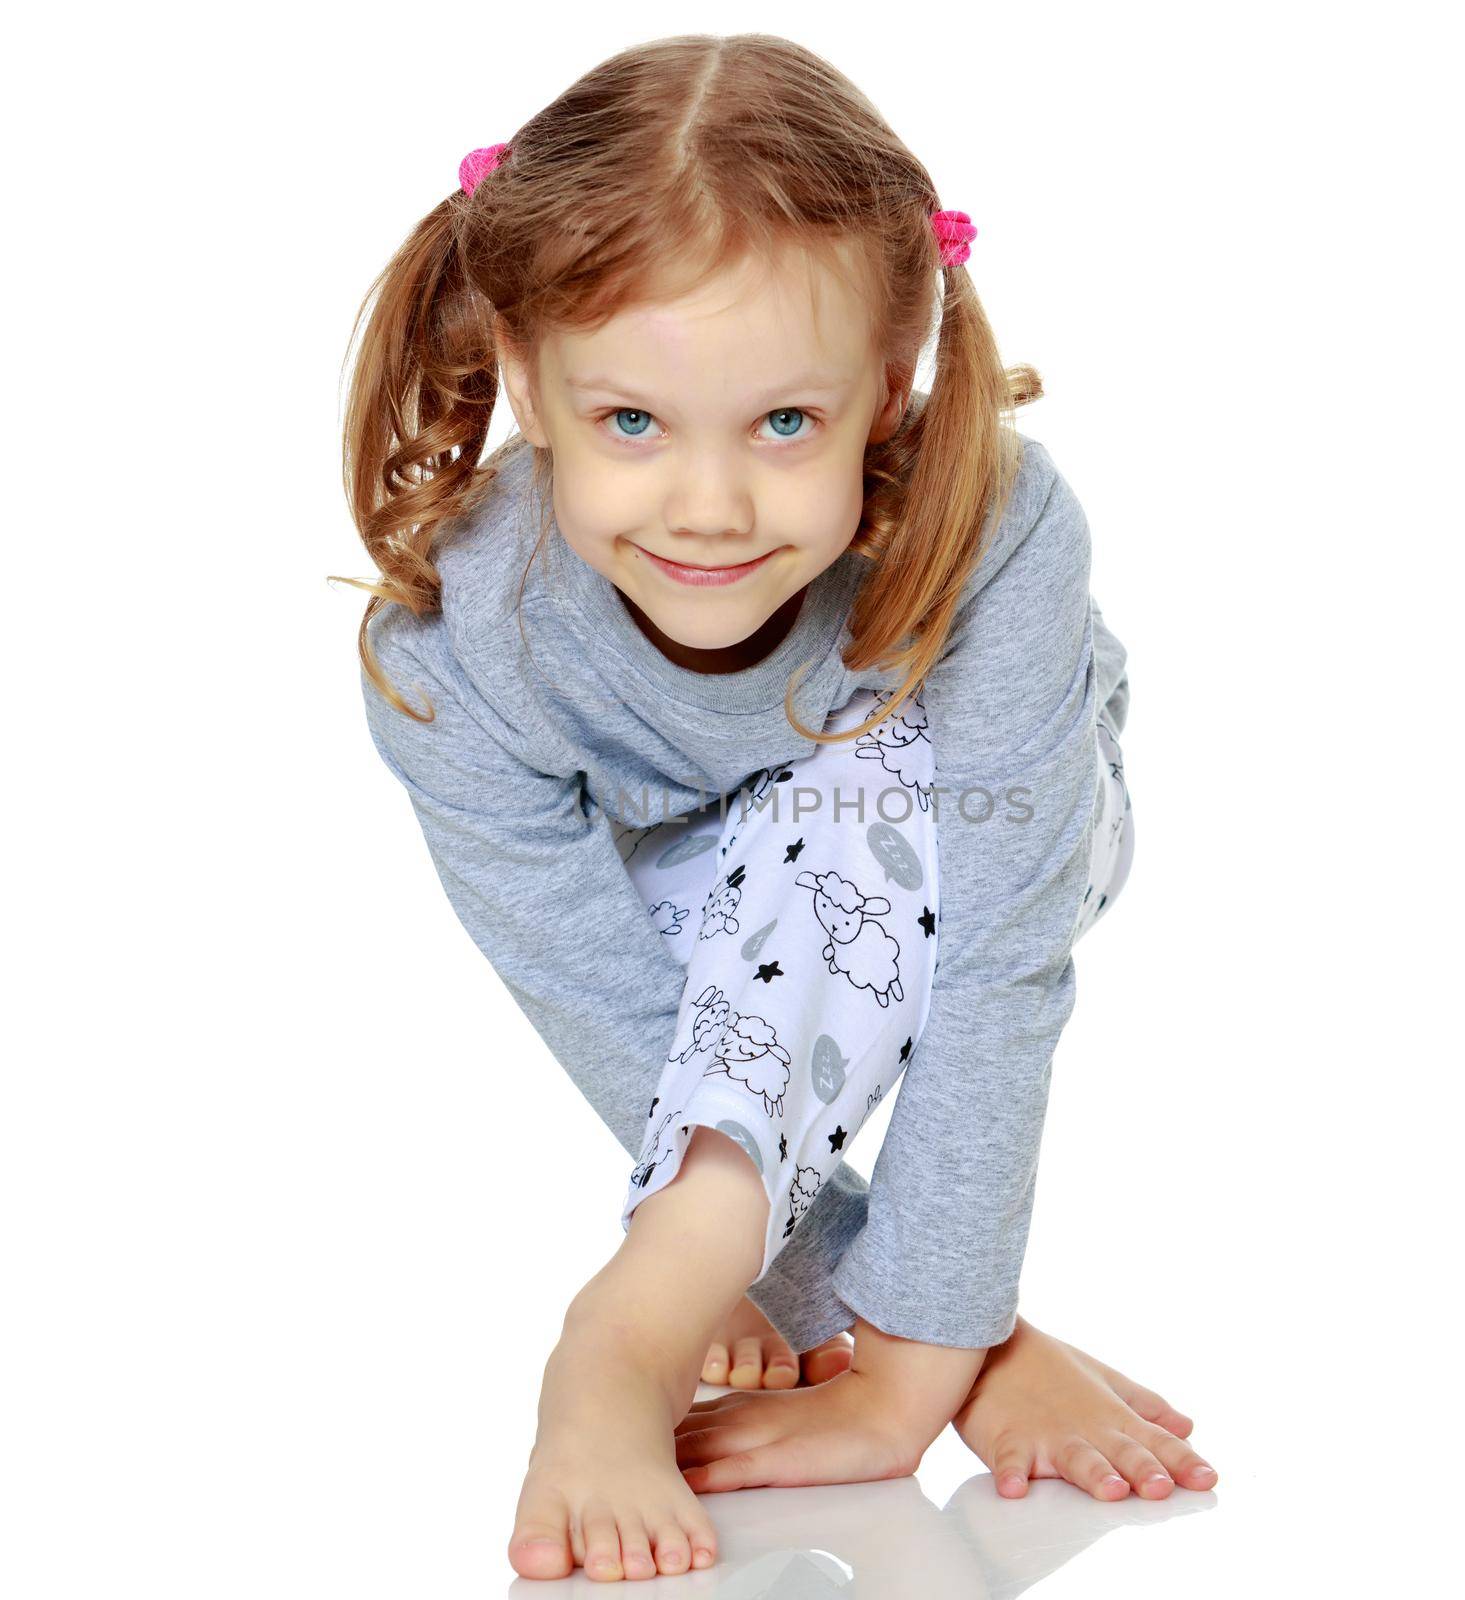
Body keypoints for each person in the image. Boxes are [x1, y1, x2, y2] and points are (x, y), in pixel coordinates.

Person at [337, 33, 1216, 1585]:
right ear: (529, 383)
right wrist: (939, 1334)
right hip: (710, 897)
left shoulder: (1000, 529)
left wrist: (917, 1355)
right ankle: (767, 1301)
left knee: (851, 788)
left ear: (887, 389)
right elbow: (624, 1009)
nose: (712, 506)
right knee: (726, 911)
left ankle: (624, 1328)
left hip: (985, 827)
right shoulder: (448, 658)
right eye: (632, 425)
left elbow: (1002, 972)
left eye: (785, 426)